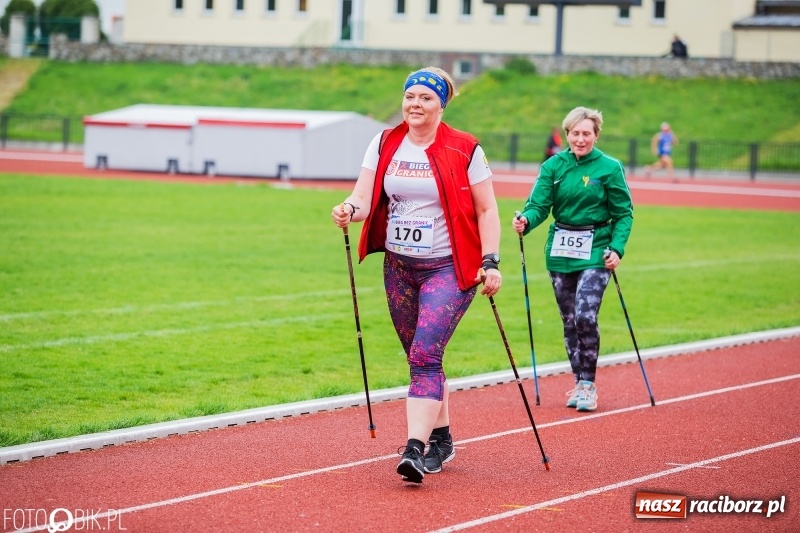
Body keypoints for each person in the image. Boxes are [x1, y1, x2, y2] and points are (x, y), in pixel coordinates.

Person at [330, 66, 502, 484]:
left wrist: (491, 260)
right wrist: (349, 209)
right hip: (400, 268)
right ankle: (441, 439)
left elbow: (487, 209)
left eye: (426, 98)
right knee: (421, 358)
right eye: (410, 96)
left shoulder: (465, 148)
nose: (415, 104)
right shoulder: (385, 142)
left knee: (425, 354)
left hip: (449, 267)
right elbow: (364, 195)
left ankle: (414, 449)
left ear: (441, 104)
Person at [512, 106, 633, 413]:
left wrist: (617, 249)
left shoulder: (609, 167)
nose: (581, 139)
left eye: (587, 134)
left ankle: (589, 386)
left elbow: (623, 213)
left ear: (596, 135)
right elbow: (539, 205)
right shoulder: (554, 166)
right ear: (567, 134)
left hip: (597, 248)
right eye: (575, 133)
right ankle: (578, 381)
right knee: (569, 320)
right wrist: (526, 219)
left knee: (585, 316)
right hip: (561, 250)